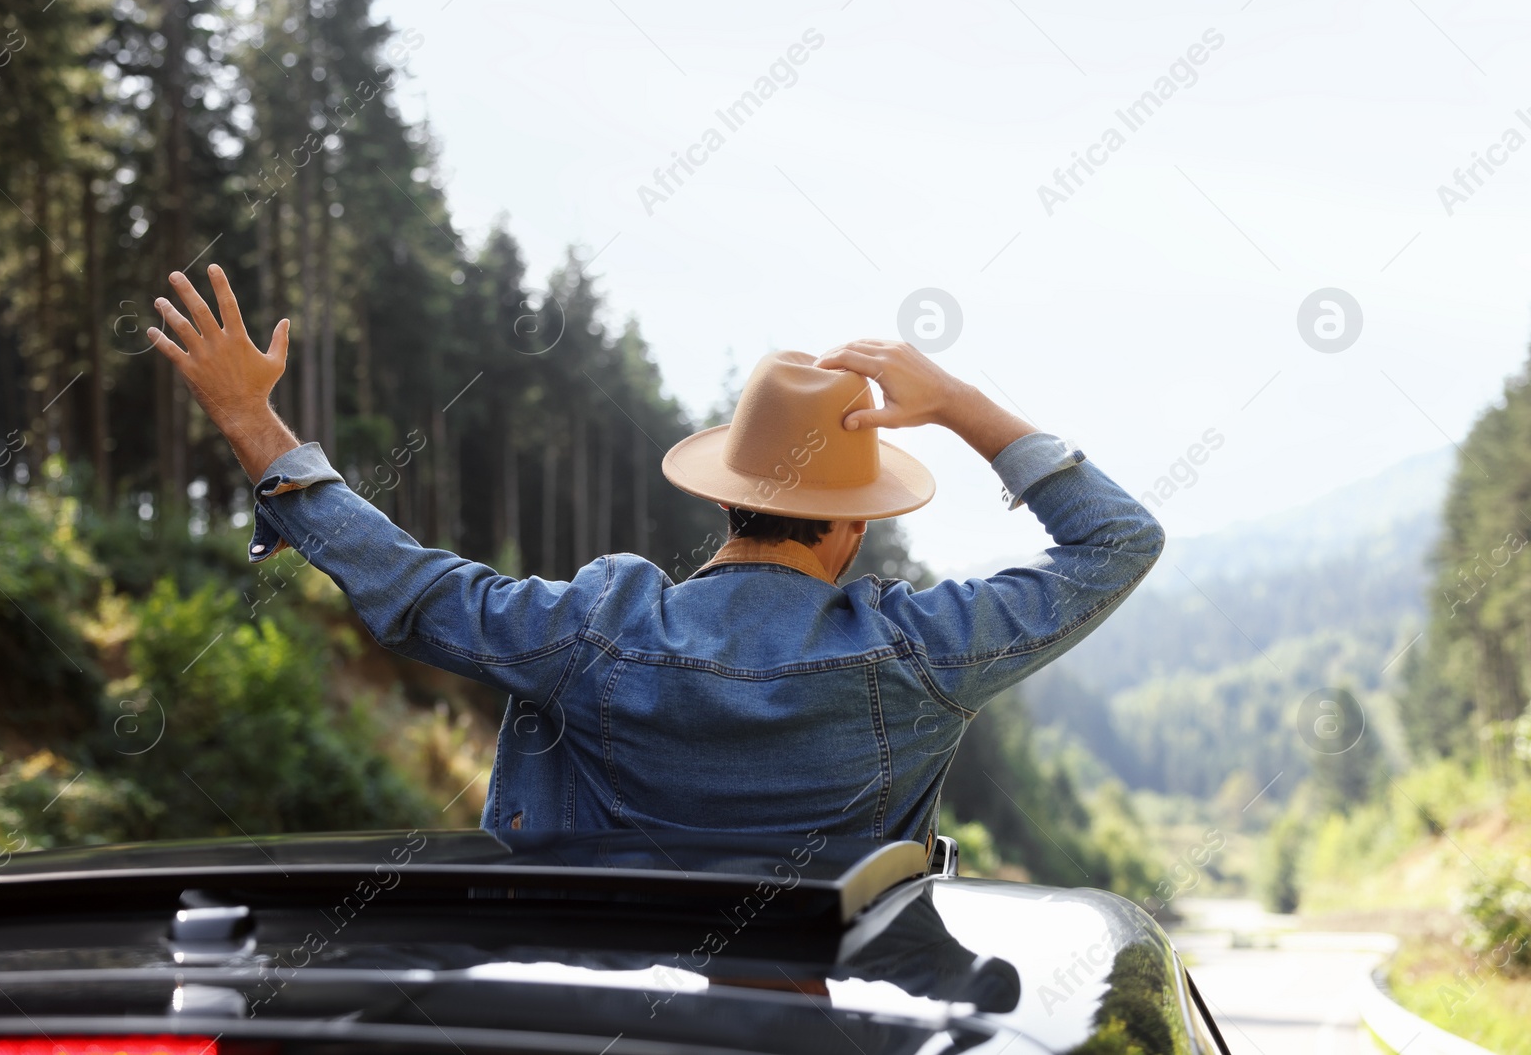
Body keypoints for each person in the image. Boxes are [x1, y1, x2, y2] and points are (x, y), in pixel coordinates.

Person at [148, 264, 1164, 845]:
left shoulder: (594, 627)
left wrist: (253, 422)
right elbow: (1117, 540)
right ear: (853, 526)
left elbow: (413, 588)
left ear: (725, 495)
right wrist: (958, 404)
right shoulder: (921, 652)